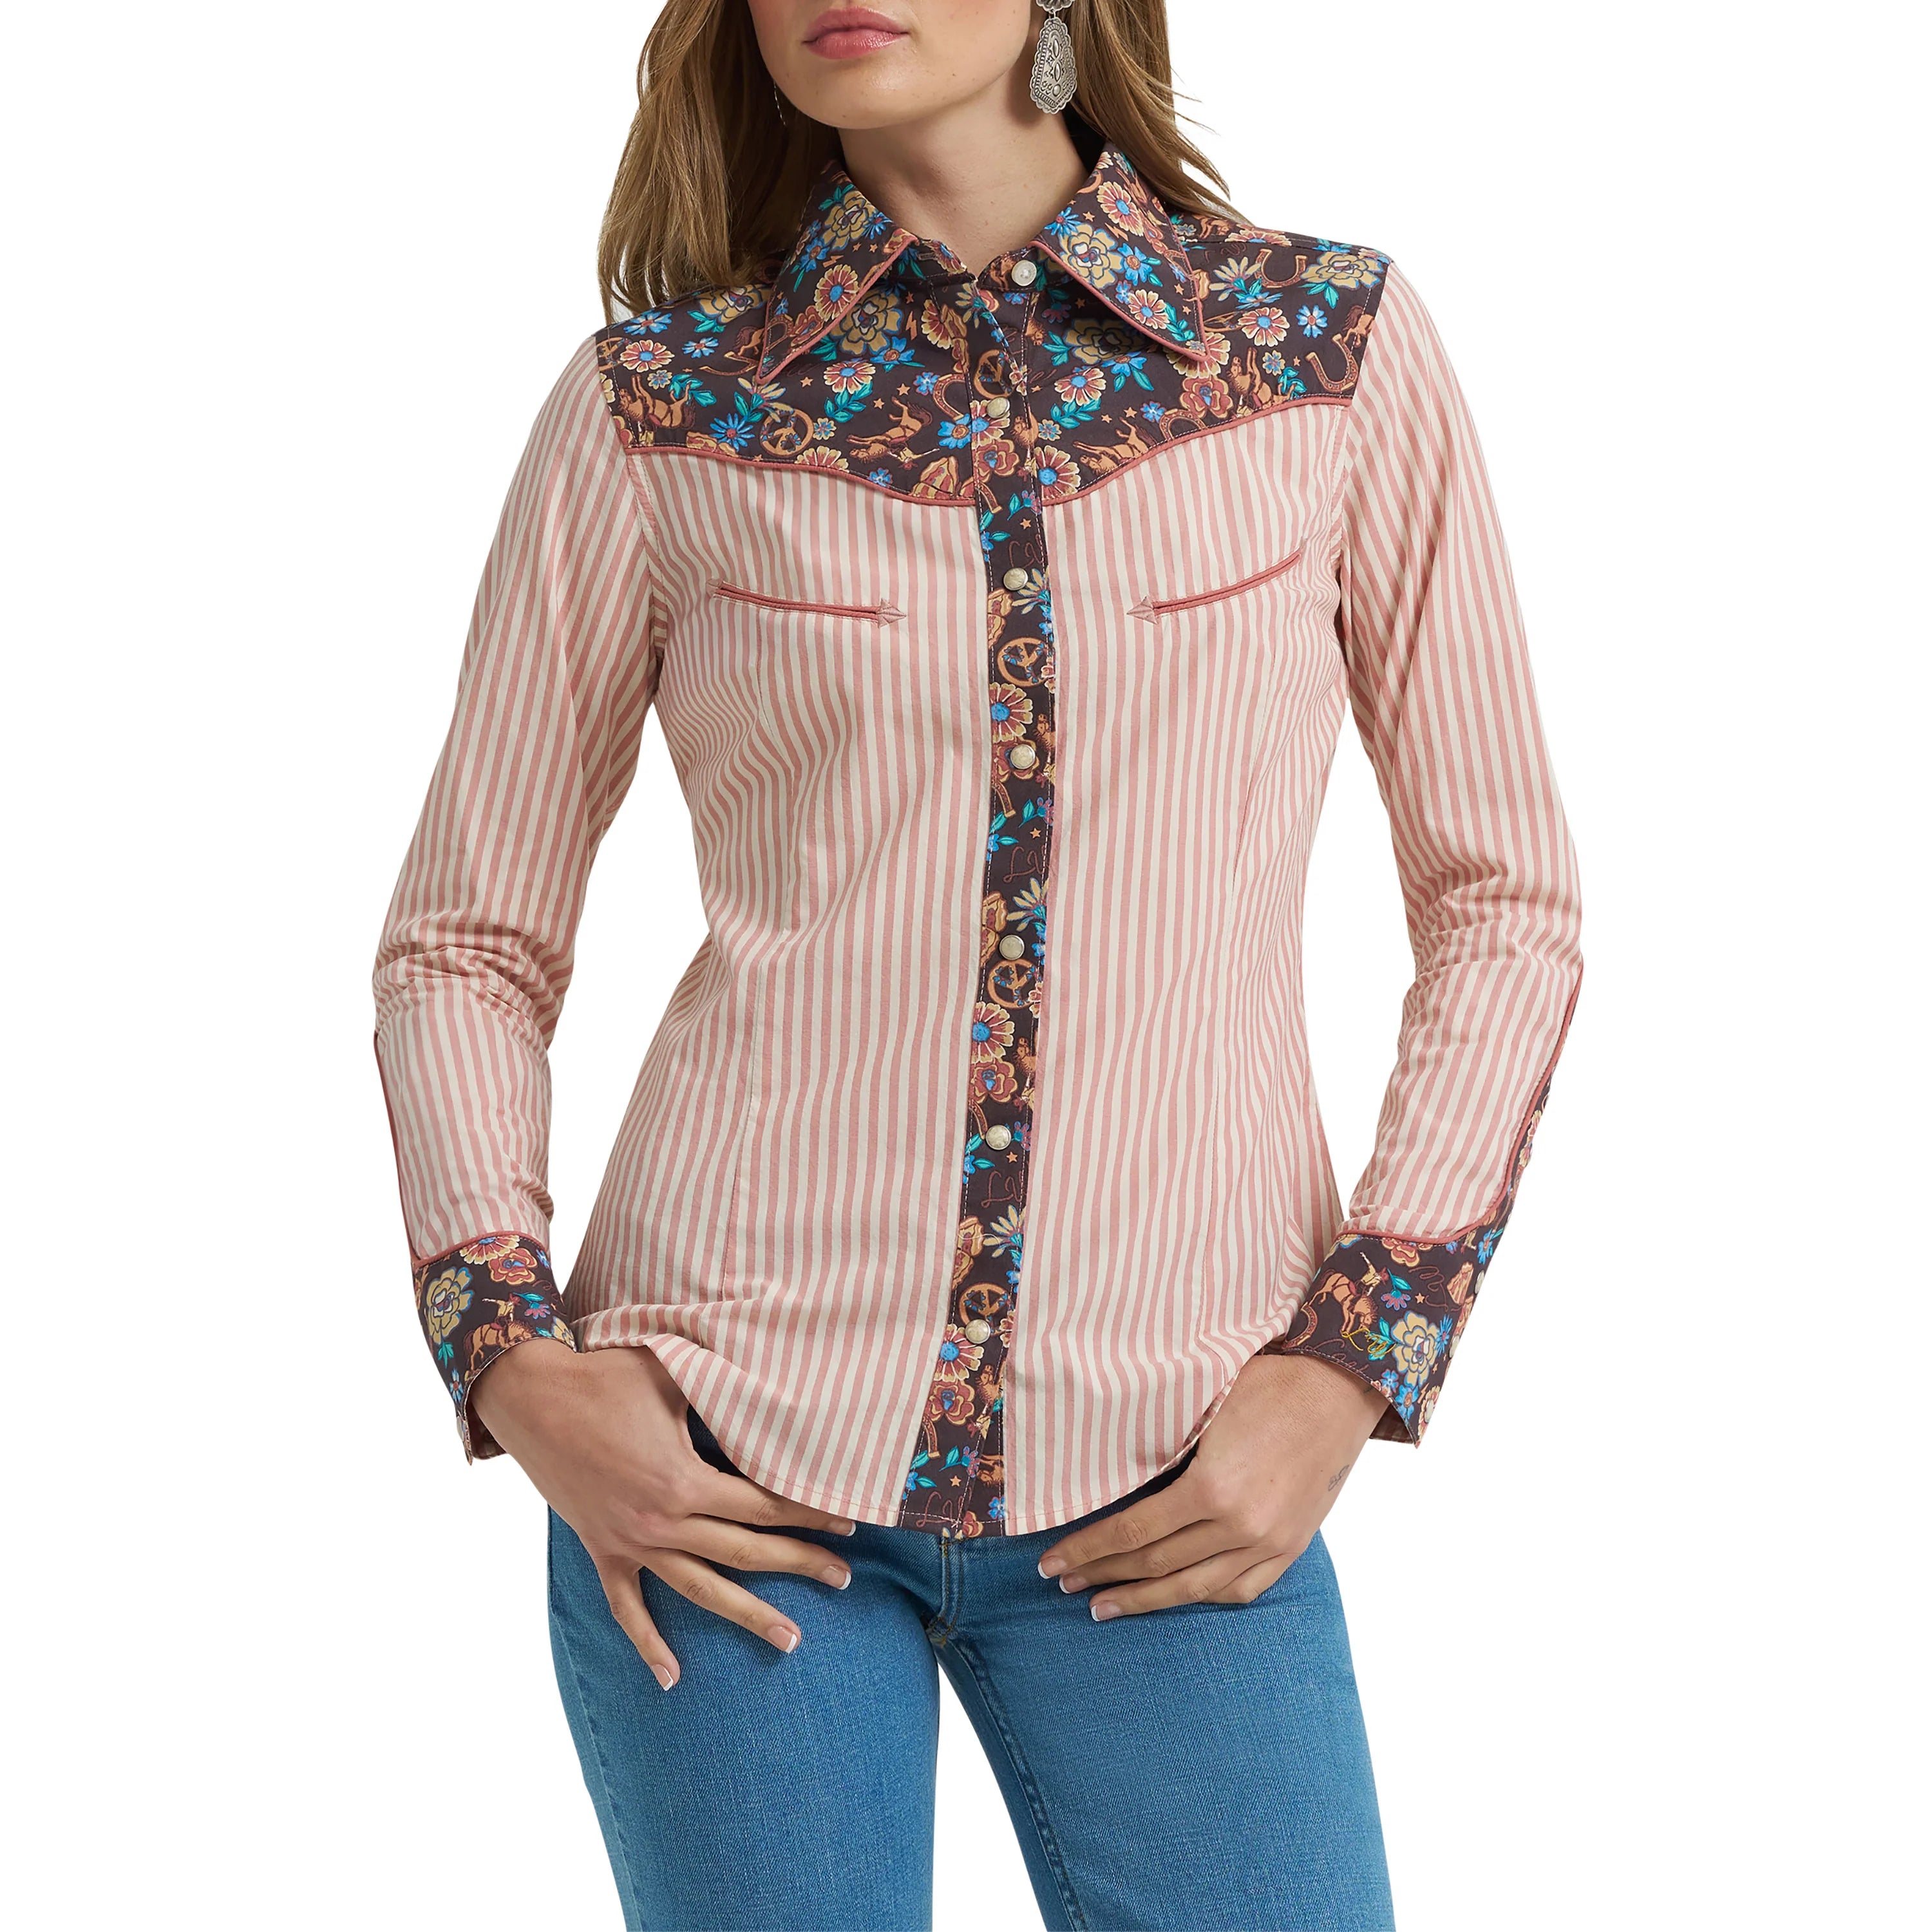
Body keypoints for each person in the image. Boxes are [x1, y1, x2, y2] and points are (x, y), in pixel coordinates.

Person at [371, 1, 1583, 1925]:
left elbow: (1504, 898)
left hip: (1178, 1466)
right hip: (726, 1465)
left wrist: (1357, 1358)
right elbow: (467, 939)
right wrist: (510, 1353)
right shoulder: (658, 411)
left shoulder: (1319, 354)